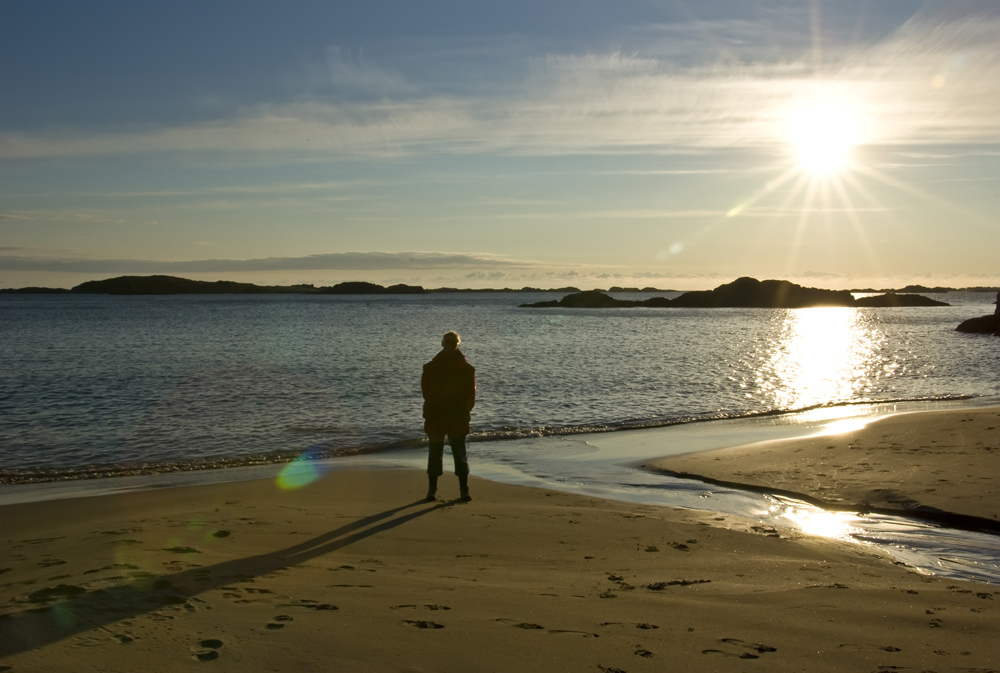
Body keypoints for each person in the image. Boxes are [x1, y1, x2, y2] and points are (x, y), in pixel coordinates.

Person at [421, 331, 476, 501]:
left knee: (460, 455)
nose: (450, 345)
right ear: (442, 343)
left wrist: (464, 409)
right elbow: (425, 391)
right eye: (447, 342)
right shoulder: (429, 368)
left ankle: (464, 490)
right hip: (435, 416)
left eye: (453, 343)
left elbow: (471, 396)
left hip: (458, 418)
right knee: (434, 455)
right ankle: (432, 490)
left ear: (458, 345)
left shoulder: (467, 369)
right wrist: (435, 404)